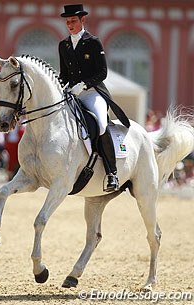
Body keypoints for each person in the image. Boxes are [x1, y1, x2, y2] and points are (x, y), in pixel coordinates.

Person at [59, 4, 130, 192]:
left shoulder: (93, 41)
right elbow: (64, 74)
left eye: (73, 21)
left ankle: (112, 173)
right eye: (67, 22)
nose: (70, 25)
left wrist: (84, 84)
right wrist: (61, 87)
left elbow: (103, 72)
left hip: (92, 93)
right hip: (72, 94)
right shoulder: (64, 45)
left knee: (100, 124)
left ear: (82, 20)